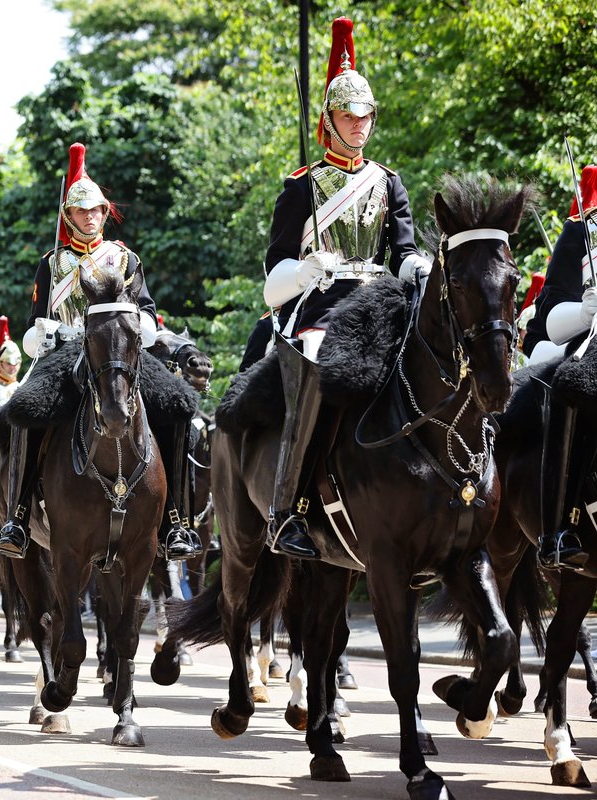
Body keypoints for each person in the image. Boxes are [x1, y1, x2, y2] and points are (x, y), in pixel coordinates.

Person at [260, 17, 428, 561]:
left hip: (381, 301)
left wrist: (418, 266)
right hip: (321, 304)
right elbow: (273, 276)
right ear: (329, 120)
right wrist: (304, 269)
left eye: (366, 116)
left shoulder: (388, 181)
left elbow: (400, 252)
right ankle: (288, 509)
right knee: (310, 365)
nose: (361, 125)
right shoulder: (301, 186)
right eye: (349, 116)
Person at [0, 142, 201, 562]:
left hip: (120, 354)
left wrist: (135, 327)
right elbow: (35, 321)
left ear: (105, 214)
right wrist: (44, 332)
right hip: (64, 353)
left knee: (178, 406)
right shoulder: (51, 262)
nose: (89, 218)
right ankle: (17, 516)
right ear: (68, 216)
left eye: (96, 211)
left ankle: (177, 519)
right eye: (81, 211)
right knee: (23, 411)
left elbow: (147, 313)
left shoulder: (124, 258)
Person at [523, 164, 597, 569]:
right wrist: (584, 312)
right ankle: (560, 525)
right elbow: (548, 315)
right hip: (593, 339)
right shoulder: (581, 230)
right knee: (575, 385)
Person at [0, 316, 22, 408]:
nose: (13, 367)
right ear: (0, 363)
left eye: (15, 364)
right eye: (9, 363)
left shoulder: (20, 387)